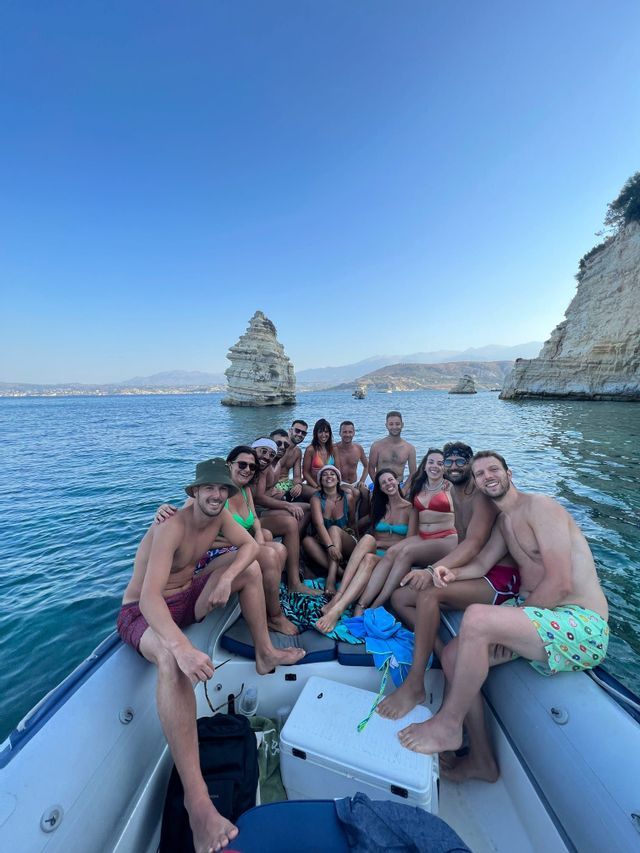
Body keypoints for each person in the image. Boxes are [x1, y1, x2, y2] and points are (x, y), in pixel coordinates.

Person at [117, 459, 305, 853]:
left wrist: (224, 576)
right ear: (194, 492)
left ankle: (265, 654)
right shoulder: (170, 525)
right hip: (143, 612)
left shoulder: (220, 519)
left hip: (187, 600)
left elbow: (252, 545)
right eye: (210, 490)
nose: (218, 495)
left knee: (250, 569)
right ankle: (197, 801)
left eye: (223, 490)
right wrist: (182, 647)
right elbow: (150, 598)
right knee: (170, 661)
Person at [396, 451, 609, 786]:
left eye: (493, 470)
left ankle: (450, 724)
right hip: (541, 620)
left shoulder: (542, 508)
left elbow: (560, 582)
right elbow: (480, 566)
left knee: (478, 619)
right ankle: (482, 758)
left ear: (509, 473)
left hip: (581, 624)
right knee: (453, 655)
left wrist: (504, 629)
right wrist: (448, 572)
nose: (486, 477)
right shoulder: (505, 523)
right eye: (480, 474)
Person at [154, 447, 299, 636]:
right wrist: (163, 510)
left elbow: (254, 518)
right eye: (242, 464)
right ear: (229, 465)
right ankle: (274, 617)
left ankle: (264, 601)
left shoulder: (245, 490)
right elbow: (183, 518)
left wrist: (259, 536)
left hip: (231, 548)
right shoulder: (216, 495)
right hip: (208, 559)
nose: (247, 469)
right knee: (271, 554)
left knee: (277, 548)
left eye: (252, 467)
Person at [389, 441, 519, 630]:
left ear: (470, 464)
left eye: (460, 461)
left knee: (427, 594)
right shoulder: (455, 492)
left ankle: (436, 655)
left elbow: (474, 543)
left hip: (497, 579)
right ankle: (439, 651)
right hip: (473, 570)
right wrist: (445, 569)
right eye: (448, 462)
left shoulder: (481, 496)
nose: (454, 467)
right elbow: (462, 539)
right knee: (399, 598)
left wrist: (433, 570)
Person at [354, 449, 458, 611]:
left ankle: (377, 605)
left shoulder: (451, 486)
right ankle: (362, 603)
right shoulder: (419, 486)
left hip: (446, 537)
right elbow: (412, 512)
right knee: (392, 552)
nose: (435, 466)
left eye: (440, 463)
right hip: (424, 536)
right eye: (431, 462)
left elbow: (465, 512)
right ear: (424, 466)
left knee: (406, 553)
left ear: (445, 467)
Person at [315, 468, 411, 634]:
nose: (388, 484)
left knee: (370, 557)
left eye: (390, 480)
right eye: (383, 483)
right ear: (379, 488)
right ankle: (339, 597)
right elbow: (357, 526)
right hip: (373, 554)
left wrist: (382, 543)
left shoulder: (411, 508)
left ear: (397, 481)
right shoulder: (380, 507)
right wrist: (341, 535)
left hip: (393, 559)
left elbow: (411, 543)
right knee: (367, 542)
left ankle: (338, 607)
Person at [250, 438, 311, 595]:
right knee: (291, 521)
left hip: (256, 512)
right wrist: (286, 504)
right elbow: (258, 497)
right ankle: (294, 581)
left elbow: (258, 495)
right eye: (263, 451)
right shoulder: (259, 468)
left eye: (270, 453)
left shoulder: (266, 466)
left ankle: (294, 552)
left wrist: (280, 495)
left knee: (305, 510)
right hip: (257, 513)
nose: (266, 456)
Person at [302, 464, 357, 594]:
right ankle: (342, 573)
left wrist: (356, 544)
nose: (328, 477)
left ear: (338, 479)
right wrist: (330, 546)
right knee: (307, 541)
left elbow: (353, 522)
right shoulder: (316, 499)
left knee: (334, 529)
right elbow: (319, 524)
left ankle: (331, 579)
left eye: (332, 474)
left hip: (346, 540)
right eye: (324, 475)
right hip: (326, 542)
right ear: (320, 481)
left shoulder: (348, 498)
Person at [367, 411, 416, 488]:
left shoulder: (409, 448)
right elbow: (371, 469)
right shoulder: (377, 446)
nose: (394, 427)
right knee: (370, 496)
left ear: (402, 425)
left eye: (397, 424)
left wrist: (404, 490)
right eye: (391, 424)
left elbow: (413, 473)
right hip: (380, 484)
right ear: (386, 425)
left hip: (399, 485)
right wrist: (379, 487)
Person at [335, 420, 370, 512]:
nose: (347, 434)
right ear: (340, 433)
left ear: (354, 433)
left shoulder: (358, 448)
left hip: (355, 482)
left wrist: (362, 481)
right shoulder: (334, 448)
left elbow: (367, 466)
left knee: (366, 493)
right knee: (354, 493)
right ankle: (351, 520)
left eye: (350, 432)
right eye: (344, 432)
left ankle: (362, 519)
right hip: (340, 483)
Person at [302, 419, 342, 490]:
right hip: (314, 486)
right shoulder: (310, 450)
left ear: (330, 433)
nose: (323, 435)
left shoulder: (334, 449)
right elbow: (305, 473)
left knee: (352, 493)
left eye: (326, 432)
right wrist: (317, 487)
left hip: (331, 485)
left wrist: (335, 486)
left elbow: (337, 470)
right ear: (316, 434)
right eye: (320, 432)